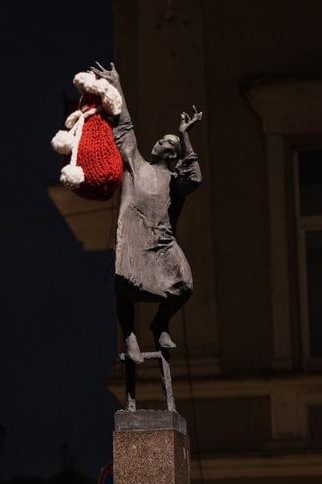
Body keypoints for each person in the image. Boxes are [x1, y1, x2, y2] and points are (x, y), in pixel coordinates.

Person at [91, 63, 203, 364]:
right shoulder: (136, 166)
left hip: (162, 241)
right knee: (126, 287)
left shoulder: (175, 181)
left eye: (168, 142)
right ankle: (129, 335)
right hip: (135, 237)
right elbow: (124, 126)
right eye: (162, 138)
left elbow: (194, 179)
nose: (160, 141)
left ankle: (159, 324)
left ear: (173, 155)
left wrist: (184, 135)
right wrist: (117, 85)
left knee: (184, 284)